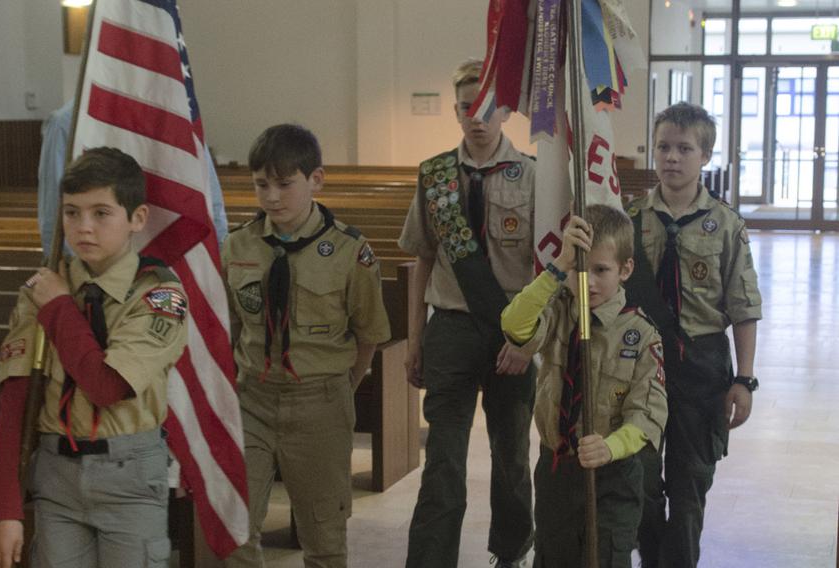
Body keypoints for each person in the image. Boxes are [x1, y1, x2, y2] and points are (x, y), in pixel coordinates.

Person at [0, 147, 190, 568]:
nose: (84, 228)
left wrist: (60, 307)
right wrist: (5, 507)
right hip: (56, 476)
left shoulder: (157, 294)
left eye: (101, 213)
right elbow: (15, 404)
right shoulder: (40, 289)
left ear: (137, 218)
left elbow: (106, 387)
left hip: (130, 475)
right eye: (71, 212)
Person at [221, 124, 390, 567]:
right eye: (261, 185)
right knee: (235, 528)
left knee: (324, 538)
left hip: (321, 402)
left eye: (284, 184)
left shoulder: (350, 251)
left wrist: (337, 389)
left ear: (316, 179)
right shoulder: (237, 246)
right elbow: (228, 324)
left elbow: (369, 335)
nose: (272, 197)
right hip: (251, 400)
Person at [398, 58, 537, 568]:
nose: (475, 118)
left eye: (485, 107)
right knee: (443, 461)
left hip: (511, 333)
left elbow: (548, 274)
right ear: (456, 112)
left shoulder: (533, 176)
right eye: (465, 108)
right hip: (451, 329)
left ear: (504, 110)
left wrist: (529, 342)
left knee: (512, 456)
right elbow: (423, 259)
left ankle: (513, 549)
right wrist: (415, 341)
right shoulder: (435, 176)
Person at [626, 102, 763, 568]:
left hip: (701, 365)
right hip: (639, 363)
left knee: (689, 487)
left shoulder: (726, 226)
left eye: (685, 148)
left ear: (705, 154)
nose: (671, 158)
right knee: (640, 479)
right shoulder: (630, 220)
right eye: (664, 146)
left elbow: (744, 309)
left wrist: (743, 380)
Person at [501, 204, 668, 568]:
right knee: (553, 557)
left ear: (625, 270)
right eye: (580, 269)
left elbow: (649, 416)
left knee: (604, 558)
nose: (588, 281)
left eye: (601, 270)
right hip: (556, 468)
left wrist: (610, 447)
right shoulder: (560, 310)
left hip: (613, 476)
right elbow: (514, 326)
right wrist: (556, 268)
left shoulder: (640, 335)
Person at [37, 99, 229, 257]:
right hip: (88, 271)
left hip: (170, 262)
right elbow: (54, 212)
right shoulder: (66, 122)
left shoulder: (177, 118)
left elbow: (209, 201)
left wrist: (218, 259)